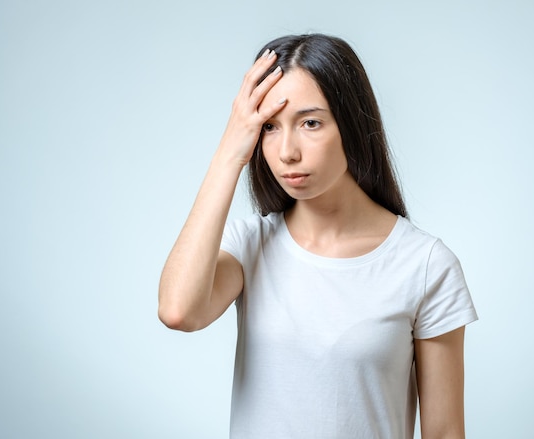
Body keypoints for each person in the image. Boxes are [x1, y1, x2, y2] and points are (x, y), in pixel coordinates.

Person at [158, 33, 478, 439]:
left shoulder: (426, 265)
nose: (287, 151)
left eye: (310, 123)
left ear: (352, 123)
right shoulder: (250, 246)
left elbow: (445, 432)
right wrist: (229, 152)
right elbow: (178, 311)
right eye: (269, 126)